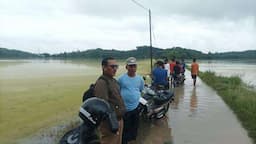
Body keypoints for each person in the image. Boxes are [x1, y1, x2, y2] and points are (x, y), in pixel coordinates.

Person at [93, 57, 126, 144]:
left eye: (116, 66)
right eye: (112, 66)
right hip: (110, 123)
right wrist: (112, 123)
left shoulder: (113, 81)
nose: (115, 69)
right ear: (104, 67)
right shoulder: (102, 83)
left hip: (119, 120)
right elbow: (102, 106)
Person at [118, 57, 144, 144]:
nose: (132, 68)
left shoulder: (140, 79)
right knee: (125, 129)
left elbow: (140, 89)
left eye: (134, 66)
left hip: (135, 107)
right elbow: (117, 91)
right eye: (130, 66)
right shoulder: (121, 79)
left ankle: (132, 140)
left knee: (134, 127)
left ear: (136, 67)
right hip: (124, 109)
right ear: (126, 67)